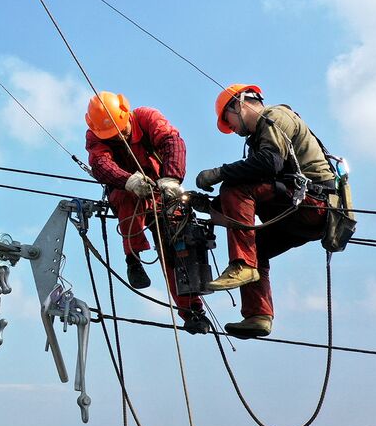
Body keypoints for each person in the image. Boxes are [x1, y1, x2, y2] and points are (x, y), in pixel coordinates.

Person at [194, 84, 334, 338]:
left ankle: (242, 264)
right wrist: (208, 206)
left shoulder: (275, 117)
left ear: (239, 104)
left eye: (230, 121)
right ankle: (258, 315)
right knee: (255, 247)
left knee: (233, 187)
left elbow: (269, 164)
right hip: (304, 213)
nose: (234, 130)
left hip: (312, 202)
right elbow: (257, 190)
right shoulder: (261, 133)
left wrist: (219, 173)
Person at [84, 91, 211, 334]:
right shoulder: (96, 136)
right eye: (113, 136)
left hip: (163, 192)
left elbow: (172, 141)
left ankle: (192, 311)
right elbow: (100, 163)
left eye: (122, 132)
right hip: (127, 191)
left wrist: (171, 178)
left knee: (178, 250)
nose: (119, 138)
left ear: (127, 115)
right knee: (125, 199)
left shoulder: (147, 117)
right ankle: (133, 258)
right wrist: (127, 180)